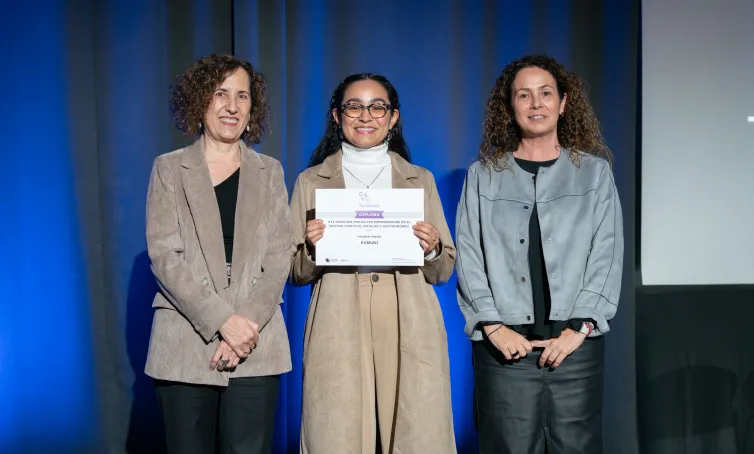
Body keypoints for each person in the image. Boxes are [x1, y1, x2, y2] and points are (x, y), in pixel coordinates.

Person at [455, 54, 624, 454]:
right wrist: (493, 327)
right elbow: (468, 255)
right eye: (524, 95)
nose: (536, 104)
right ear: (510, 108)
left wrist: (578, 329)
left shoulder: (595, 172)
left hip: (574, 348)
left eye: (546, 93)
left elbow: (607, 253)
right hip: (503, 350)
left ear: (563, 103)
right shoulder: (482, 175)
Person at [290, 73, 457, 454]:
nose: (366, 116)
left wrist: (431, 247)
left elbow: (444, 268)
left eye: (377, 106)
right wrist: (312, 247)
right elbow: (294, 272)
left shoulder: (420, 180)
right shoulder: (310, 181)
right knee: (338, 430)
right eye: (354, 106)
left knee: (415, 429)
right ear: (337, 115)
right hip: (338, 311)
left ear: (393, 117)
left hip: (407, 309)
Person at [144, 54, 293, 454]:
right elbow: (164, 255)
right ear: (199, 102)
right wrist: (222, 321)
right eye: (220, 94)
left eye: (242, 96)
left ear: (252, 107)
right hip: (185, 340)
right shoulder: (169, 169)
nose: (232, 106)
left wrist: (243, 326)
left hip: (255, 342)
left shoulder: (271, 171)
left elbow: (281, 254)